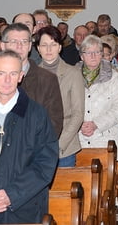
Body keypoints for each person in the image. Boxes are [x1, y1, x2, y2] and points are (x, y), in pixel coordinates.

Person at [0, 50, 58, 223]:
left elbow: (45, 163)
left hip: (24, 210)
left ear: (21, 76)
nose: (7, 80)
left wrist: (12, 195)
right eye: (1, 73)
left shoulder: (37, 115)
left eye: (13, 74)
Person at [0, 23, 63, 138]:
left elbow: (53, 124)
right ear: (3, 46)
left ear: (30, 46)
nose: (19, 46)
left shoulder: (47, 80)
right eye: (14, 41)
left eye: (24, 42)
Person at [34, 26, 84, 167]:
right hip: (38, 146)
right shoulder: (32, 75)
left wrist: (58, 145)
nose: (49, 49)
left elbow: (78, 114)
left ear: (60, 47)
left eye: (53, 44)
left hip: (64, 147)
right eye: (44, 45)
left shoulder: (73, 73)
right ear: (38, 48)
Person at [78, 35, 118, 161]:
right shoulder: (72, 75)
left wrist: (96, 124)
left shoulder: (113, 76)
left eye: (97, 52)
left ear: (101, 55)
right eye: (88, 52)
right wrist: (78, 124)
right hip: (79, 139)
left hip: (106, 137)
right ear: (82, 56)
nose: (93, 56)